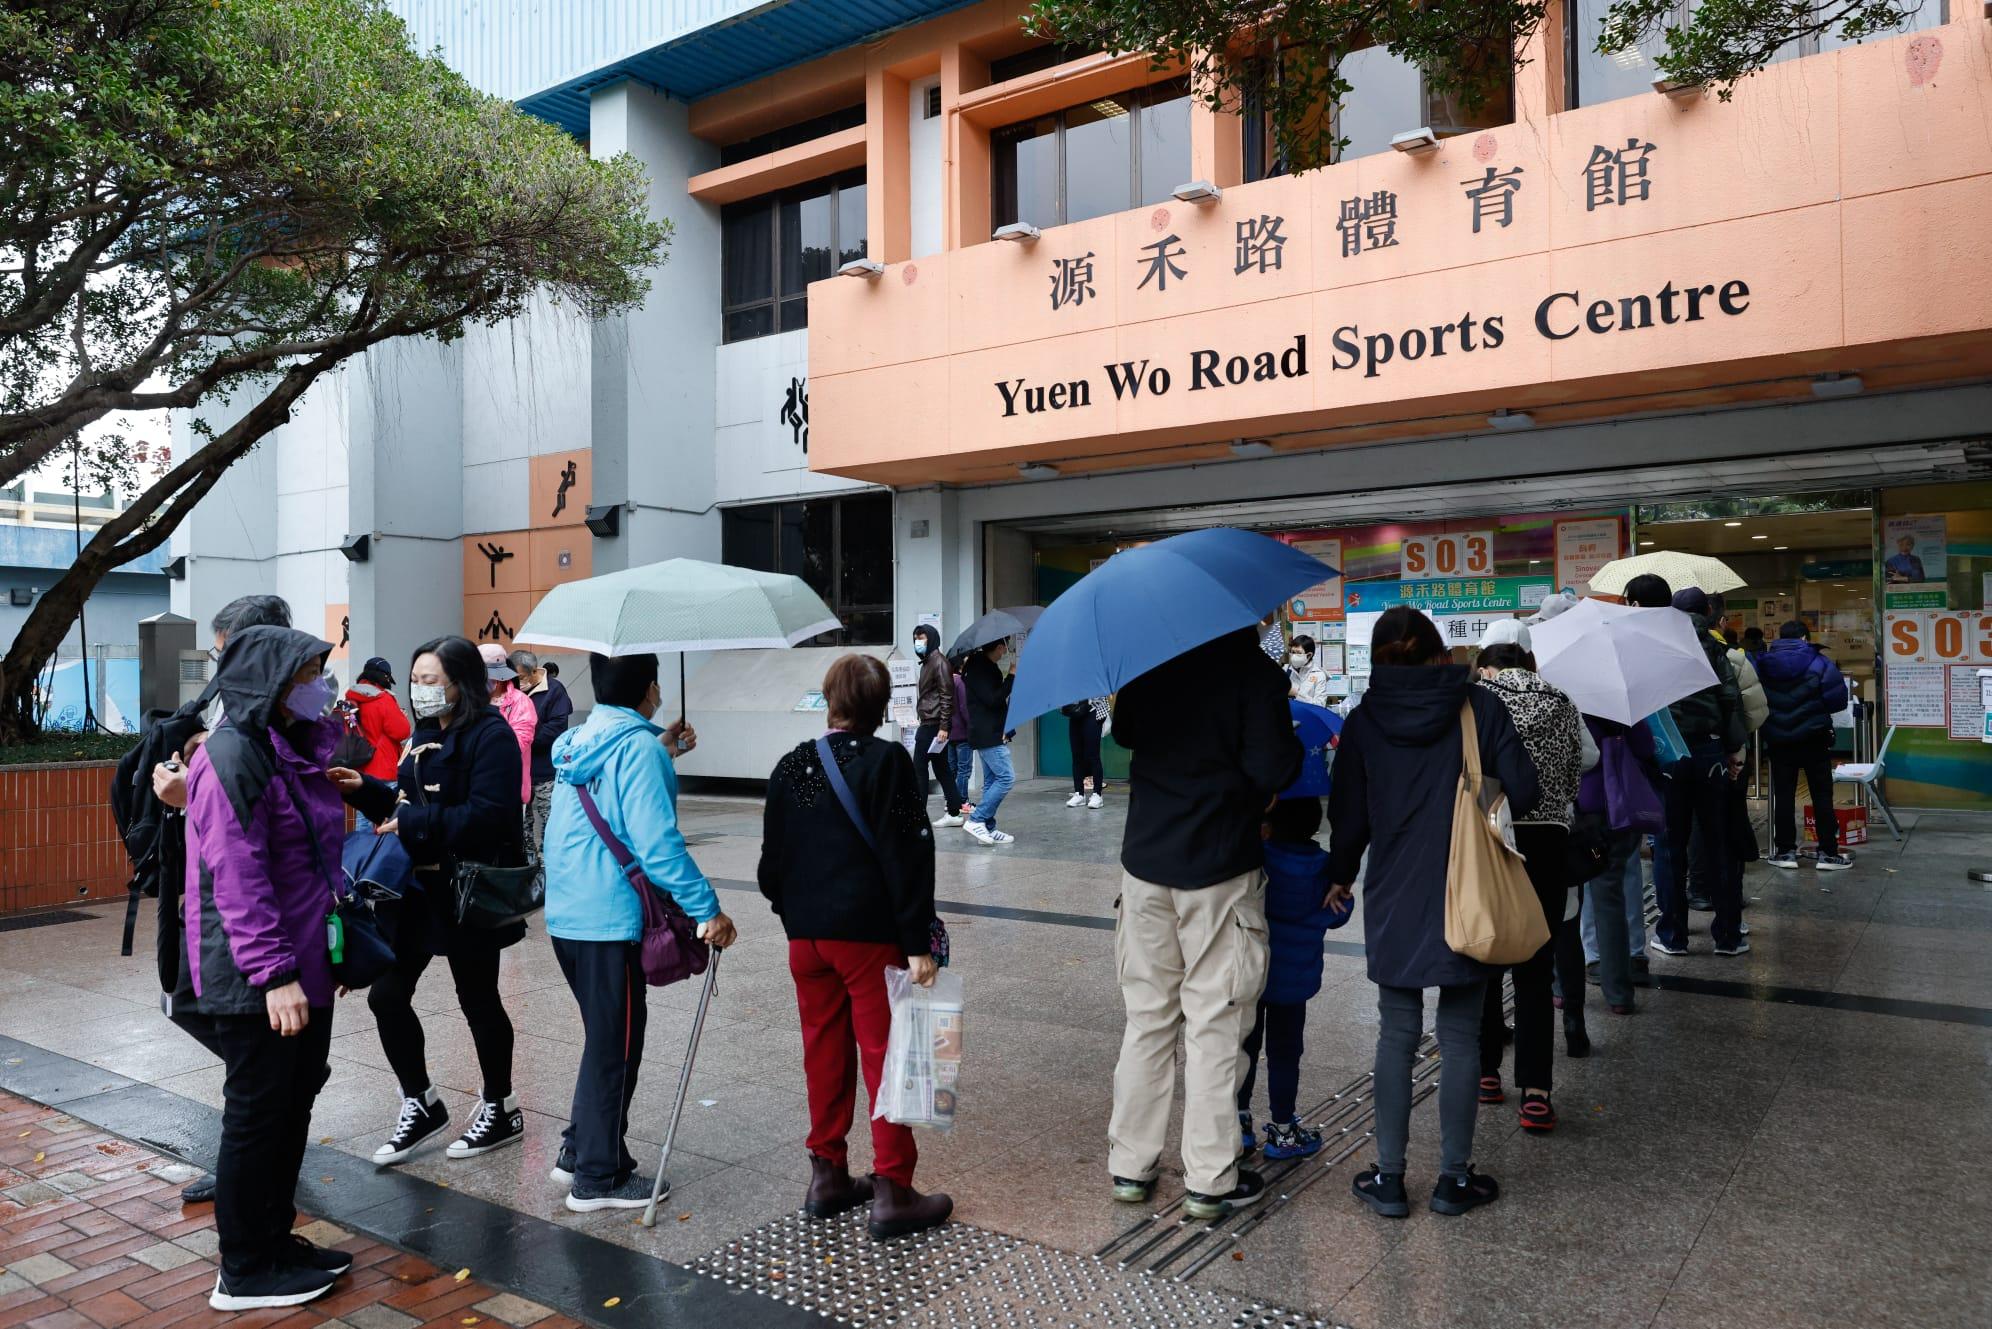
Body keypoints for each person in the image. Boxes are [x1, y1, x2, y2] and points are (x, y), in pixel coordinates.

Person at [1328, 607, 1537, 1219]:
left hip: (1395, 891)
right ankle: (1453, 1179)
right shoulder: (1481, 708)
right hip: (1468, 891)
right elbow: (1524, 790)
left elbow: (1349, 815)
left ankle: (1389, 1178)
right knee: (1461, 1035)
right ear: (1442, 653)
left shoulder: (1365, 720)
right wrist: (1478, 790)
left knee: (1396, 1032)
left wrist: (1339, 875)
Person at [183, 626, 353, 1309]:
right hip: (259, 973)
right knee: (257, 1114)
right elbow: (239, 875)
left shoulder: (282, 747)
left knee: (292, 1103)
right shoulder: (233, 753)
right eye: (309, 670)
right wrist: (277, 973)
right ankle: (245, 1266)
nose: (321, 683)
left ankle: (275, 1240)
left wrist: (322, 958)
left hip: (301, 961)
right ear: (271, 680)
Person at [1108, 626, 1301, 1220]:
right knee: (1215, 1023)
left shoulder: (1151, 664)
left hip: (1145, 868)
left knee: (1147, 1020)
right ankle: (1209, 1181)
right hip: (1219, 869)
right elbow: (1273, 767)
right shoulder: (1255, 675)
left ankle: (1131, 1168)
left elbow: (1126, 732)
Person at [758, 654, 952, 1240]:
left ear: (829, 700)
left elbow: (770, 867)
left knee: (824, 1050)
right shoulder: (888, 761)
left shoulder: (791, 765)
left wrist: (798, 912)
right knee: (889, 1055)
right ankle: (892, 1188)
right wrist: (917, 941)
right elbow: (908, 855)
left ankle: (827, 1175)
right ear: (877, 706)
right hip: (868, 939)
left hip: (806, 941)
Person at [543, 653, 735, 1211]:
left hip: (568, 916)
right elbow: (658, 847)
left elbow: (611, 795)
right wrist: (708, 910)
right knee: (616, 1046)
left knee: (605, 1038)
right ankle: (598, 1179)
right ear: (652, 688)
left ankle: (579, 1151)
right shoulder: (638, 749)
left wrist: (663, 747)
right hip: (609, 921)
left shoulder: (580, 742)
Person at [329, 637, 530, 1166]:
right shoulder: (421, 734)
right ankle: (421, 1102)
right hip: (413, 892)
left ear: (460, 684)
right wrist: (364, 790)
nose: (420, 691)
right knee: (386, 997)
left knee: (478, 999)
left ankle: (501, 1106)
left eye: (430, 680)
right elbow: (403, 801)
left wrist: (417, 820)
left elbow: (494, 815)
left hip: (466, 893)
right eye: (415, 680)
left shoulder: (492, 737)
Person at [136, 593, 295, 1206]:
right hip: (202, 892)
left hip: (245, 916)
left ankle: (250, 1205)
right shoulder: (229, 721)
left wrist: (190, 792)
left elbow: (246, 847)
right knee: (187, 1002)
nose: (216, 663)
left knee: (246, 1043)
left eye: (223, 650)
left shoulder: (271, 727)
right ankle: (255, 1178)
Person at [1471, 626, 1586, 1132]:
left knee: (1488, 952)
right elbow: (1574, 773)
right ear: (1530, 663)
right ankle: (1536, 1091)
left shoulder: (1480, 700)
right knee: (1538, 963)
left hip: (1494, 836)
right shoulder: (1561, 701)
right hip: (1549, 838)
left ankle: (1486, 1072)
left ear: (1487, 665)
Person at [1238, 796, 1350, 1161]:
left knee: (1246, 1049)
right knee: (1286, 1054)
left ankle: (1239, 1125)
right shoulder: (1324, 868)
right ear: (1315, 827)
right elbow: (1339, 913)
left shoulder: (1261, 859)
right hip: (1294, 983)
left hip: (1254, 976)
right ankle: (1283, 1131)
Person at [1652, 588, 1747, 958]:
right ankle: (1727, 936)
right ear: (1708, 610)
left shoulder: (1655, 645)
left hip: (1669, 753)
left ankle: (1673, 936)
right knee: (1718, 842)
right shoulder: (1715, 646)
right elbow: (1730, 699)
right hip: (1710, 752)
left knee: (1669, 845)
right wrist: (1734, 749)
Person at [1577, 710, 1661, 1016]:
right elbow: (1646, 747)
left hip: (1587, 807)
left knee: (1587, 888)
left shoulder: (1568, 701)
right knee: (1623, 879)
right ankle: (1625, 977)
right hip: (1624, 806)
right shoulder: (1622, 706)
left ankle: (1593, 959)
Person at [1758, 621, 1853, 871]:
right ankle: (1828, 854)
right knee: (1821, 794)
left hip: (1778, 739)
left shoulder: (1762, 663)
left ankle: (1785, 851)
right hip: (1814, 738)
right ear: (1803, 637)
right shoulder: (1820, 662)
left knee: (1784, 795)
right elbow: (1837, 701)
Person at [510, 649, 573, 847]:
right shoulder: (511, 691)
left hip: (545, 769)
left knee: (552, 819)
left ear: (533, 671)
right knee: (519, 823)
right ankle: (525, 862)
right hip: (518, 771)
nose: (516, 683)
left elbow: (557, 728)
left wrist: (523, 737)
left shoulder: (555, 690)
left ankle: (550, 858)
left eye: (519, 677)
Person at [961, 638, 1016, 846]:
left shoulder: (982, 666)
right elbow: (993, 699)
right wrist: (1010, 677)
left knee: (992, 781)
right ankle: (976, 819)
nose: (1006, 652)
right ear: (999, 647)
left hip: (991, 731)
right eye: (1005, 647)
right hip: (987, 733)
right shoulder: (978, 668)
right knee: (1006, 778)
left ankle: (988, 827)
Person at [910, 625, 966, 827]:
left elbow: (946, 695)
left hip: (933, 725)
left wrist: (944, 726)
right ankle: (954, 812)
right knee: (942, 769)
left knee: (919, 768)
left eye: (922, 638)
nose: (918, 642)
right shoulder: (928, 662)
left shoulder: (938, 662)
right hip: (931, 723)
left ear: (931, 638)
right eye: (916, 638)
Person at [481, 642, 537, 809]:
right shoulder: (472, 702)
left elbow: (519, 743)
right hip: (477, 786)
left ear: (497, 680)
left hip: (509, 788)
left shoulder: (521, 702)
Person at [344, 657, 411, 786]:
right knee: (386, 805)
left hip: (358, 767)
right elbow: (401, 732)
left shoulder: (352, 697)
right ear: (385, 677)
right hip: (382, 769)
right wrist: (401, 717)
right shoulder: (383, 698)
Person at [1064, 697, 1109, 809]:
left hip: (1092, 712)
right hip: (1075, 713)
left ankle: (1097, 794)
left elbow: (1101, 693)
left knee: (1093, 755)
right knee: (1076, 756)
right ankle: (1079, 793)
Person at [1287, 635, 1330, 707]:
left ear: (1309, 655)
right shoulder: (1285, 671)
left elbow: (1320, 705)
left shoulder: (1319, 675)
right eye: (1293, 652)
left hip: (1308, 716)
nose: (1294, 656)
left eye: (1299, 653)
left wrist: (1297, 694)